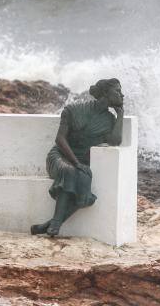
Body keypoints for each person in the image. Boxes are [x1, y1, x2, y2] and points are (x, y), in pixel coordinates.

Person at [31, 78, 124, 236]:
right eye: (118, 91)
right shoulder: (74, 109)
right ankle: (54, 225)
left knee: (84, 182)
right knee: (70, 172)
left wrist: (120, 114)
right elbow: (60, 139)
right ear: (106, 93)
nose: (122, 95)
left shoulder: (109, 120)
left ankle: (50, 224)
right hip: (60, 157)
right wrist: (76, 163)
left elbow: (115, 141)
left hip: (80, 163)